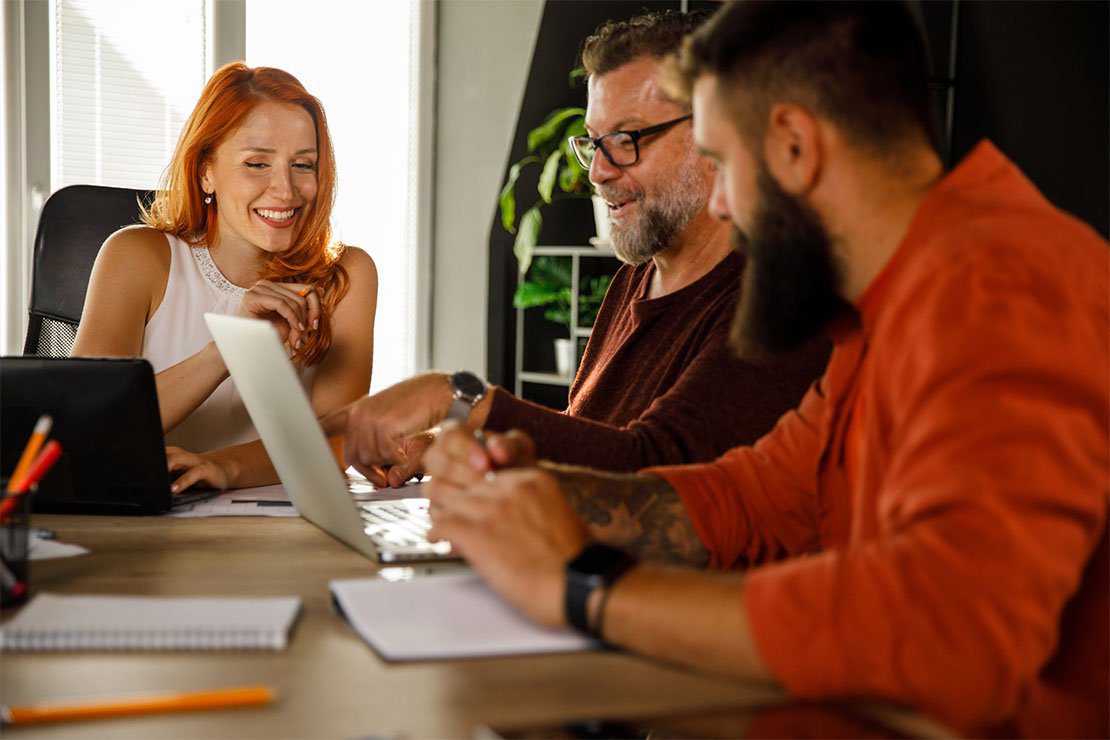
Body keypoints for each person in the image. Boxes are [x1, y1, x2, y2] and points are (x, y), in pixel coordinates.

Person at [419, 2, 1109, 737]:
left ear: (793, 147)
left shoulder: (1001, 290)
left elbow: (952, 634)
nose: (717, 202)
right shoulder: (883, 308)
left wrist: (586, 591)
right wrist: (534, 494)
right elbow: (751, 497)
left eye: (718, 162)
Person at [326, 10, 829, 487]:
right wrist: (438, 446)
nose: (598, 171)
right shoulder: (635, 280)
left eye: (627, 138)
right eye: (594, 142)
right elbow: (586, 438)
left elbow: (660, 472)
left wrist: (460, 399)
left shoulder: (777, 303)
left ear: (716, 136)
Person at [71, 62, 377, 493]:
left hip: (281, 531)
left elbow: (332, 442)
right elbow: (86, 425)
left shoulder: (347, 275)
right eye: (257, 164)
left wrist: (222, 467)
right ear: (205, 170)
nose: (286, 190)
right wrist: (227, 349)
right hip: (148, 525)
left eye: (303, 165)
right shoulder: (137, 257)